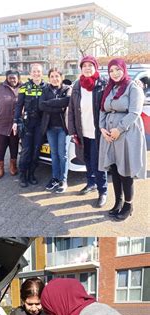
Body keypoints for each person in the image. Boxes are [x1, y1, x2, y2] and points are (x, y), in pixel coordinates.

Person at [99, 58, 147, 221]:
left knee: (125, 170)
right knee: (114, 168)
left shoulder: (133, 87)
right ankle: (118, 201)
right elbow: (102, 110)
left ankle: (128, 204)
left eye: (117, 69)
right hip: (109, 135)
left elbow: (134, 112)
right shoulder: (109, 88)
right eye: (111, 71)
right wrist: (102, 129)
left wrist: (118, 129)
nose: (114, 73)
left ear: (123, 69)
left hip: (126, 133)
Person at [68, 56, 108, 207]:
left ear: (95, 67)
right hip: (82, 131)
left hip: (98, 132)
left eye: (90, 65)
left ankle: (102, 191)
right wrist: (72, 131)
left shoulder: (103, 83)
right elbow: (71, 109)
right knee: (87, 160)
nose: (87, 68)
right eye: (84, 66)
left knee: (99, 163)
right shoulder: (77, 85)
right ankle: (91, 183)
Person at [13, 63, 46, 187]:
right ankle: (22, 176)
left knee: (36, 151)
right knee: (26, 150)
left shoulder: (46, 87)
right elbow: (18, 105)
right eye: (34, 71)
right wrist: (16, 121)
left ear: (41, 73)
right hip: (27, 123)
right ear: (30, 73)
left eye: (38, 71)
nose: (36, 73)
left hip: (40, 124)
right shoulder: (24, 87)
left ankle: (31, 174)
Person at [39, 68, 71, 194]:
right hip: (50, 128)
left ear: (61, 77)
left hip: (63, 128)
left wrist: (50, 104)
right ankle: (55, 178)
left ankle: (63, 180)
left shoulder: (67, 89)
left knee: (62, 155)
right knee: (54, 154)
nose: (54, 78)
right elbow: (41, 106)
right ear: (49, 78)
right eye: (52, 76)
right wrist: (57, 105)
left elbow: (66, 103)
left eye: (57, 76)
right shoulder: (45, 90)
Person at [0, 70, 21, 179]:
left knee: (14, 146)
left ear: (18, 78)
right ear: (7, 78)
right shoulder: (0, 88)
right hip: (0, 124)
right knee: (1, 147)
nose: (12, 80)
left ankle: (13, 166)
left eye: (14, 77)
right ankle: (0, 168)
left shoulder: (23, 88)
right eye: (10, 77)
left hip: (15, 125)